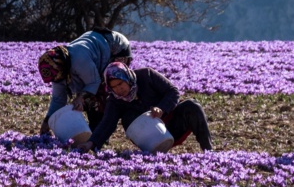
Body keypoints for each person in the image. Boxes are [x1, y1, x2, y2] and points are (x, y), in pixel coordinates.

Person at [77, 62, 212, 152]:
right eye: (114, 87)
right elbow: (107, 123)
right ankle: (155, 151)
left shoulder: (146, 75)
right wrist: (91, 143)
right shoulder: (114, 100)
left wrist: (161, 108)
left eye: (120, 83)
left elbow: (173, 91)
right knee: (128, 117)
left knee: (192, 106)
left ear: (127, 77)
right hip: (150, 137)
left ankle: (208, 151)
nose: (119, 89)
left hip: (170, 124)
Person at [38, 28, 132, 135]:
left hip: (115, 48)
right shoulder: (58, 71)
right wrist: (47, 121)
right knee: (87, 97)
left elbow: (93, 82)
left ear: (63, 69)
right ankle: (95, 131)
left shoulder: (78, 60)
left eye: (59, 79)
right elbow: (58, 99)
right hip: (96, 51)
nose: (57, 82)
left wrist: (80, 97)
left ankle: (101, 131)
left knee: (101, 93)